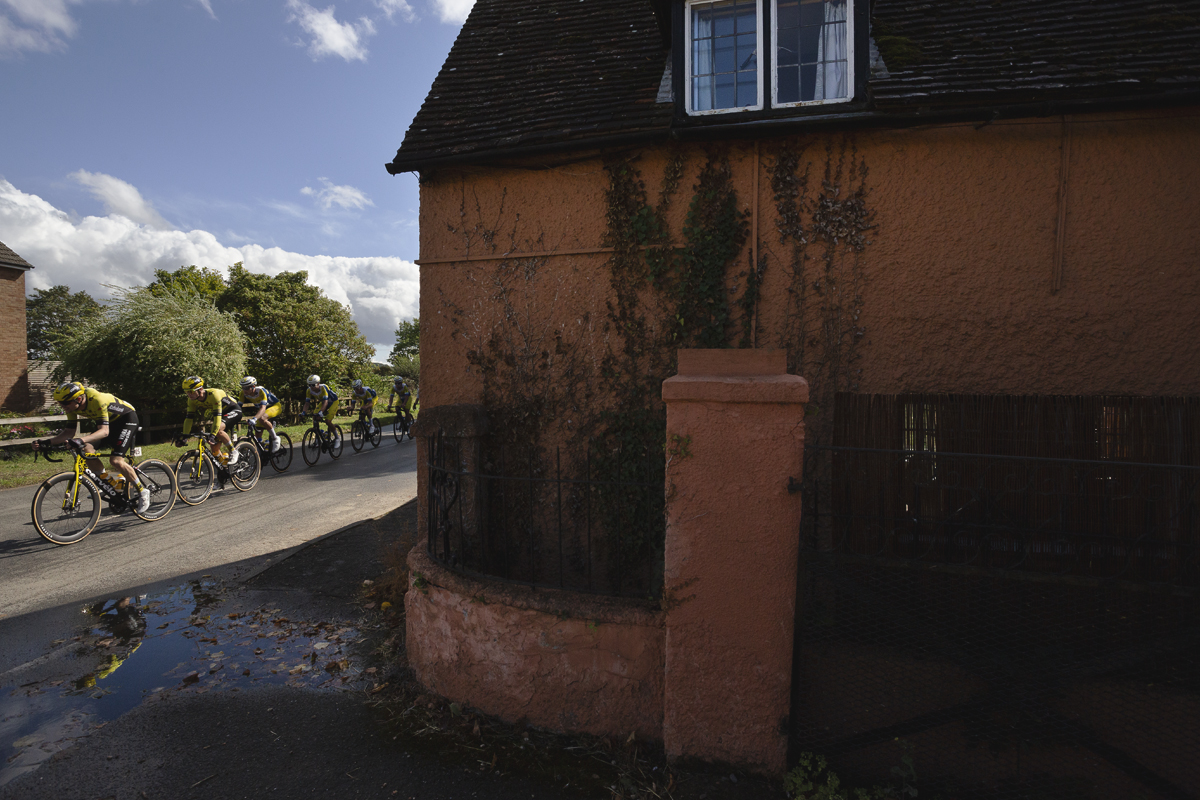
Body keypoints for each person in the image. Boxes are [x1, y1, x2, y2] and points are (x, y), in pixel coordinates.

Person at [34, 381, 150, 513]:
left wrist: (80, 440)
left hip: (126, 419)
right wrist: (47, 442)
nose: (62, 406)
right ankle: (109, 483)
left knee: (116, 460)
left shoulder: (96, 399)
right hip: (109, 424)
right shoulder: (72, 406)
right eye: (60, 403)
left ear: (78, 399)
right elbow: (69, 432)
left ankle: (142, 491)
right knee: (85, 449)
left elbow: (104, 432)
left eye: (65, 403)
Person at [176, 376, 242, 465]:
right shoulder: (191, 400)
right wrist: (185, 436)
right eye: (186, 392)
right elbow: (189, 419)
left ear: (200, 389)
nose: (189, 395)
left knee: (217, 431)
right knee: (214, 447)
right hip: (222, 415)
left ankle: (234, 451)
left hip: (233, 410)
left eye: (191, 391)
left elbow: (217, 418)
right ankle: (224, 467)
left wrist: (213, 434)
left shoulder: (214, 395)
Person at [239, 376, 283, 452]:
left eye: (246, 388)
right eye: (243, 387)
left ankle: (275, 438)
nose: (244, 390)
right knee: (257, 431)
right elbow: (238, 407)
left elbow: (263, 408)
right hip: (263, 409)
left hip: (274, 406)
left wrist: (254, 419)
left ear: (253, 386)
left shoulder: (261, 391)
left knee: (262, 418)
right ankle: (261, 449)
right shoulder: (242, 393)